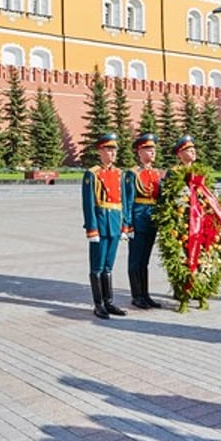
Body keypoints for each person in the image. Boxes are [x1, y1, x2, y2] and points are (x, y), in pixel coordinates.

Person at [154, 135, 221, 313]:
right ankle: (182, 293)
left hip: (203, 222)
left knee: (204, 257)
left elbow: (210, 195)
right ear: (180, 153)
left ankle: (202, 292)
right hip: (182, 223)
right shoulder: (174, 173)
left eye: (193, 149)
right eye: (188, 150)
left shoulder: (201, 171)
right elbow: (167, 198)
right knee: (182, 257)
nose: (193, 152)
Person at [82, 132, 129, 319]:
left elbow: (124, 201)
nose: (112, 153)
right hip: (100, 225)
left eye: (114, 149)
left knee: (109, 266)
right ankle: (98, 303)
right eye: (108, 149)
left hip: (115, 224)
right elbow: (88, 204)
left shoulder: (119, 174)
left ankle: (109, 302)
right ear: (100, 151)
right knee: (98, 266)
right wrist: (91, 229)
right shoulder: (92, 174)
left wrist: (125, 226)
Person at [123, 132, 161, 309]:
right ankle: (136, 295)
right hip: (137, 218)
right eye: (148, 149)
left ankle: (145, 295)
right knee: (135, 259)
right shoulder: (132, 174)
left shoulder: (156, 173)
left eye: (153, 149)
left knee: (145, 260)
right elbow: (128, 200)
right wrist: (127, 224)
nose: (152, 152)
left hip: (152, 219)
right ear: (139, 152)